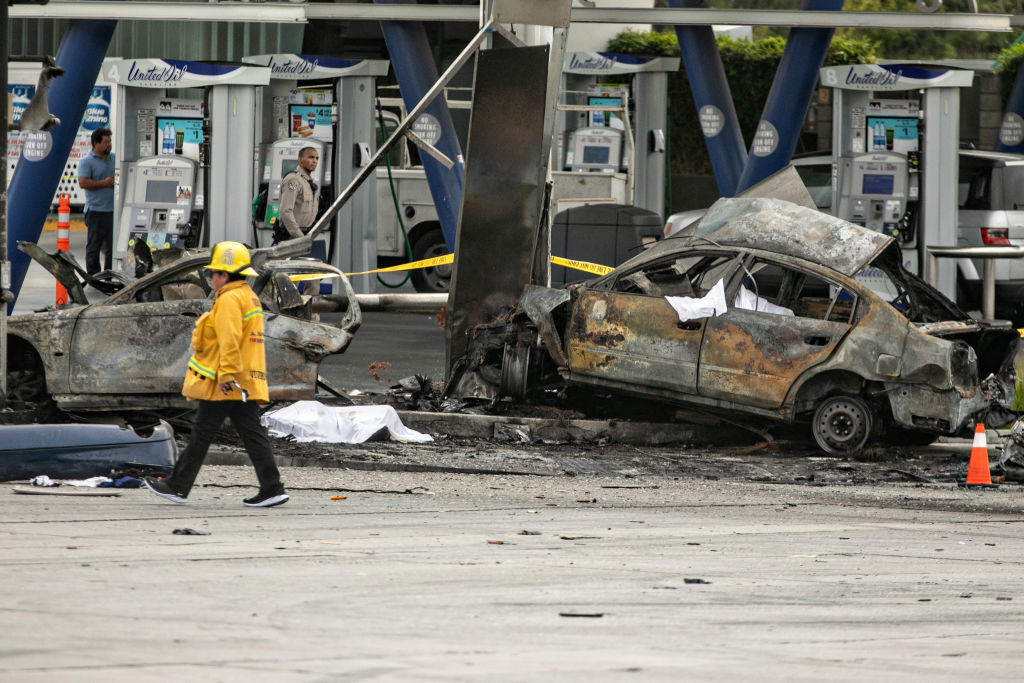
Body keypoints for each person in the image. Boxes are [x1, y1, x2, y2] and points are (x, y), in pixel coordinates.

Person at [144, 241, 288, 508]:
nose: (210, 277)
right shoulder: (247, 296)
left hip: (226, 381)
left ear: (225, 275)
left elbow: (229, 340)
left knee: (202, 433)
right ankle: (272, 487)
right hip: (240, 380)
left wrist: (225, 376)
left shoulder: (230, 300)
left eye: (214, 273)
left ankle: (177, 486)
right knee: (250, 432)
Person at [77, 127, 116, 276]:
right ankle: (94, 275)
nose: (109, 144)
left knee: (112, 247)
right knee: (94, 246)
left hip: (113, 210)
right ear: (95, 143)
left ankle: (109, 274)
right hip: (96, 211)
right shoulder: (86, 161)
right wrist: (104, 183)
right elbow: (83, 183)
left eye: (110, 141)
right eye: (105, 142)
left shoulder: (115, 158)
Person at [275, 146, 320, 243]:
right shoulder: (294, 180)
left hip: (304, 235)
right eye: (311, 157)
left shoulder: (307, 182)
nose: (315, 161)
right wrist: (299, 237)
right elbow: (285, 211)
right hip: (291, 237)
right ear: (300, 160)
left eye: (317, 158)